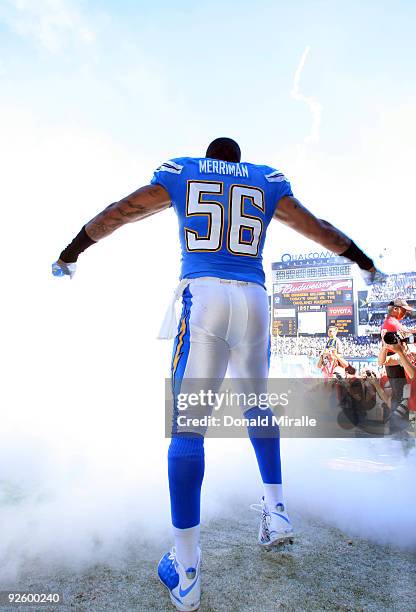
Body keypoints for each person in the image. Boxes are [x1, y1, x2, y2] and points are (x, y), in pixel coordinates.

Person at [52, 137, 381, 612]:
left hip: (203, 295)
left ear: (208, 157)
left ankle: (187, 573)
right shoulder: (264, 181)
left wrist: (72, 250)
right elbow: (320, 229)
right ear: (239, 161)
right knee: (257, 404)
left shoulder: (183, 171)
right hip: (252, 299)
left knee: (188, 427)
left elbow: (121, 211)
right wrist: (364, 261)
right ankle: (277, 512)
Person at [380, 299, 415, 416]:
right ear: (396, 309)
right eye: (404, 310)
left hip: (397, 365)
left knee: (400, 398)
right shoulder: (393, 324)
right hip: (398, 367)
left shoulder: (387, 323)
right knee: (401, 398)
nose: (405, 313)